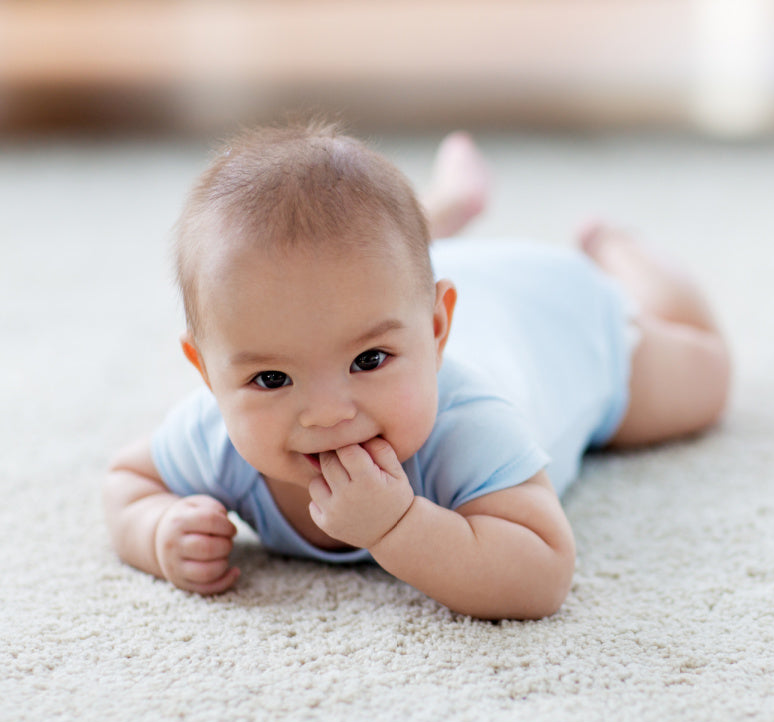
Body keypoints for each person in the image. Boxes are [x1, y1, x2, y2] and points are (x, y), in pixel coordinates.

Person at [103, 121, 730, 620]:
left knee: (706, 374)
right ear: (207, 374)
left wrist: (398, 526)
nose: (328, 413)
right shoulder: (216, 433)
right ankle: (444, 212)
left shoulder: (468, 425)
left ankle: (619, 248)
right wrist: (156, 530)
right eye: (271, 379)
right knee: (358, 262)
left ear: (436, 330)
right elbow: (129, 481)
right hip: (391, 291)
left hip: (556, 322)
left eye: (369, 361)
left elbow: (542, 574)